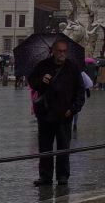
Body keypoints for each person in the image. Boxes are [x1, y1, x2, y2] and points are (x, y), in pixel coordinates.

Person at [30, 42, 85, 186]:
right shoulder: (42, 66)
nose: (62, 53)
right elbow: (32, 83)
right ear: (53, 51)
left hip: (64, 114)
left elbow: (80, 91)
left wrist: (73, 109)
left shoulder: (72, 67)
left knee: (63, 147)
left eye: (64, 51)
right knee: (45, 147)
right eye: (59, 51)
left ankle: (62, 176)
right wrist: (42, 81)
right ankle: (45, 176)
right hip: (45, 113)